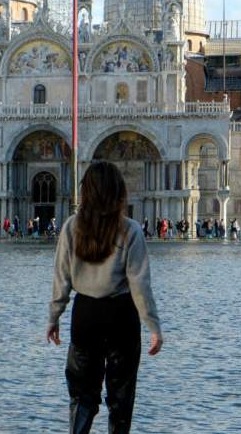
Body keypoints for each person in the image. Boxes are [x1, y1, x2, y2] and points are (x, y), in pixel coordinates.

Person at [47, 161, 163, 434]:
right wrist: (153, 326)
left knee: (82, 396)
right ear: (119, 192)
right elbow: (140, 284)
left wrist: (53, 317)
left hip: (85, 314)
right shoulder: (131, 230)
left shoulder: (70, 227)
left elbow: (61, 278)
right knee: (121, 400)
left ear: (86, 191)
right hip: (121, 316)